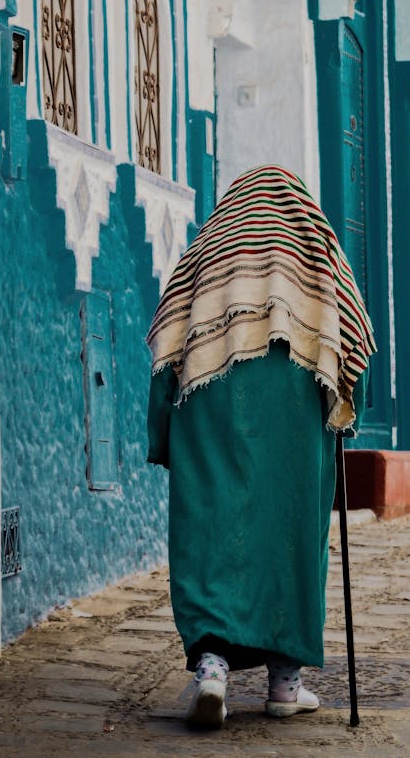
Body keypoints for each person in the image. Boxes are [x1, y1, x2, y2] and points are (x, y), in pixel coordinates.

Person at [145, 164, 375, 728]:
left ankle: (214, 671)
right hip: (298, 416)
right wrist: (350, 412)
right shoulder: (319, 257)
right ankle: (284, 683)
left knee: (213, 533)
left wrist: (162, 436)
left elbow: (166, 352)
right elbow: (354, 346)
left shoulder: (206, 252)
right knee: (291, 537)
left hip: (209, 415)